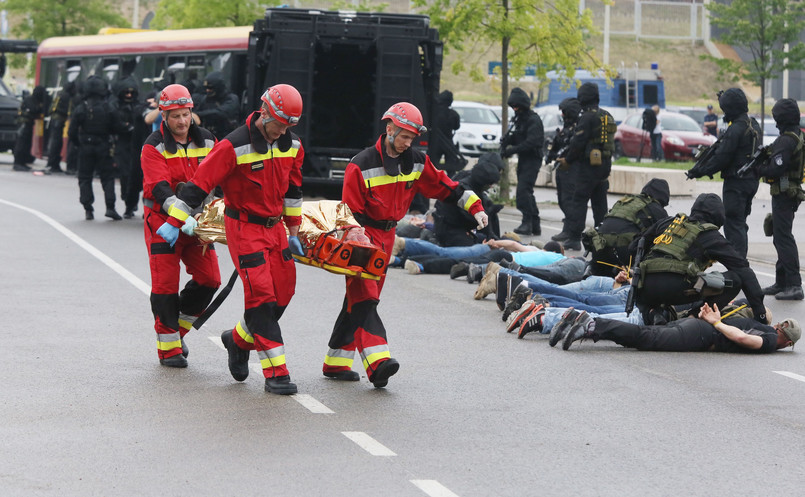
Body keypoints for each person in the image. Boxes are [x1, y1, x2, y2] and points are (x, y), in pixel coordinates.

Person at [322, 101, 488, 388]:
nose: (408, 144)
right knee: (365, 298)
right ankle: (378, 362)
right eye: (404, 137)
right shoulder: (360, 166)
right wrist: (357, 240)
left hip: (387, 238)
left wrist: (476, 208)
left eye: (412, 138)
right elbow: (348, 214)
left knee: (360, 299)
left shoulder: (416, 161)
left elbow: (444, 186)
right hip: (362, 237)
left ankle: (336, 362)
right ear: (389, 130)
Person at [156, 84, 305, 395]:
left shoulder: (292, 144)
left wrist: (293, 231)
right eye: (278, 124)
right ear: (265, 113)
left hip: (276, 229)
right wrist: (174, 221)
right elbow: (198, 186)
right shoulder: (232, 146)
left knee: (284, 292)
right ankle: (276, 372)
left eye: (288, 126)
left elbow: (292, 189)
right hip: (245, 229)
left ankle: (237, 341)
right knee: (261, 296)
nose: (281, 132)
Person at [140, 83, 221, 368]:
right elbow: (160, 190)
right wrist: (181, 219)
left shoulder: (209, 141)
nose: (182, 121)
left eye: (185, 114)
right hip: (164, 223)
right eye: (175, 116)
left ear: (192, 113)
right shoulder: (153, 147)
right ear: (164, 115)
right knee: (165, 286)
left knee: (210, 279)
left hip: (198, 225)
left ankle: (178, 331)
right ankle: (169, 349)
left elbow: (217, 180)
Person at [631, 192, 767, 326]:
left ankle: (654, 312)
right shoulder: (710, 235)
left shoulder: (668, 223)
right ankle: (693, 317)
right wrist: (760, 313)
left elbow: (634, 247)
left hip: (645, 288)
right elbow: (743, 270)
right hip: (677, 288)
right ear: (718, 217)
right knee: (735, 280)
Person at [686, 88, 761, 258]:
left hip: (736, 183)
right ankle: (741, 261)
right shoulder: (753, 125)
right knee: (740, 223)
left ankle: (738, 265)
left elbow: (721, 158)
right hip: (751, 181)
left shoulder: (735, 130)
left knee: (734, 224)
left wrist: (699, 171)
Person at [560, 303, 799, 353]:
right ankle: (592, 324)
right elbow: (746, 340)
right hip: (701, 334)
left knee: (647, 336)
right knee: (647, 338)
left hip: (694, 326)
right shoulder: (768, 339)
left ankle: (579, 321)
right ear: (788, 342)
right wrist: (716, 322)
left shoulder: (762, 326)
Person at [553, 83, 615, 250]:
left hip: (588, 168)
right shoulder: (607, 115)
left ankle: (574, 238)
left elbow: (578, 143)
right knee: (600, 203)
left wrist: (568, 160)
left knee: (578, 201)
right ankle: (602, 236)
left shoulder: (587, 117)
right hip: (604, 167)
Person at [755, 98, 805, 300]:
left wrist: (758, 170)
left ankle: (794, 285)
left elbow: (776, 168)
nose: (775, 123)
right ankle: (782, 281)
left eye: (777, 118)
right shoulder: (795, 136)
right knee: (779, 234)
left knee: (783, 238)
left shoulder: (787, 140)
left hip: (785, 192)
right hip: (787, 191)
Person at [582, 178, 669, 277]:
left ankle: (592, 268)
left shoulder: (625, 201)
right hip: (624, 254)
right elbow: (665, 239)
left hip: (599, 248)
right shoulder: (657, 209)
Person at [67, 76, 124, 220]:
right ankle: (110, 207)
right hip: (103, 145)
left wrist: (78, 144)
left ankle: (88, 209)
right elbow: (117, 128)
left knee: (85, 177)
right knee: (107, 178)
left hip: (85, 146)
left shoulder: (81, 108)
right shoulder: (108, 108)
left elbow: (71, 132)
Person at [433, 153, 501, 246]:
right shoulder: (464, 191)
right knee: (473, 253)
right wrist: (489, 212)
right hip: (449, 230)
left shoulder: (474, 187)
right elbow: (475, 219)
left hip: (459, 228)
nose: (491, 186)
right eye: (490, 184)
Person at [501, 87, 543, 236]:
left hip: (533, 159)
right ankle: (534, 224)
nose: (515, 109)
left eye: (516, 106)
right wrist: (506, 143)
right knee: (527, 192)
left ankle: (527, 222)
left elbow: (531, 142)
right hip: (524, 159)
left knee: (523, 191)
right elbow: (517, 136)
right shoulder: (520, 120)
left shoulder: (533, 120)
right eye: (513, 107)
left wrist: (512, 150)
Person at [110, 77, 141, 218]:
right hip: (122, 142)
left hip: (137, 144)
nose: (129, 95)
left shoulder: (138, 106)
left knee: (136, 175)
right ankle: (127, 199)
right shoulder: (115, 106)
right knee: (124, 173)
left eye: (131, 93)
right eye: (126, 93)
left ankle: (131, 202)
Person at [545, 98, 580, 219]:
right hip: (561, 169)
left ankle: (571, 227)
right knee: (562, 199)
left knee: (568, 200)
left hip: (570, 169)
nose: (562, 115)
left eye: (564, 112)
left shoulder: (576, 129)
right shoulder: (565, 129)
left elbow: (574, 149)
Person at [193, 71, 239, 140]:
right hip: (209, 138)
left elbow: (221, 113)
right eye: (206, 88)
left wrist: (198, 114)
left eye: (210, 88)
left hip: (227, 137)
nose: (208, 90)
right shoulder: (205, 99)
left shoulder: (231, 99)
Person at [427, 89, 463, 175]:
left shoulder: (432, 113)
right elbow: (456, 127)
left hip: (435, 142)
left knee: (431, 166)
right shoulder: (453, 114)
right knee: (451, 168)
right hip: (448, 142)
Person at [13, 85, 48, 171]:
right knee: (21, 144)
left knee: (26, 144)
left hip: (28, 124)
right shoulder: (29, 100)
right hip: (23, 124)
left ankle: (22, 162)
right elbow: (34, 109)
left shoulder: (35, 100)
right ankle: (17, 163)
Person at [44, 82, 76, 174]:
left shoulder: (60, 95)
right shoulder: (67, 97)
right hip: (59, 121)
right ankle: (53, 164)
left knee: (55, 142)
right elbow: (69, 111)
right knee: (57, 143)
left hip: (55, 121)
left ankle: (53, 163)